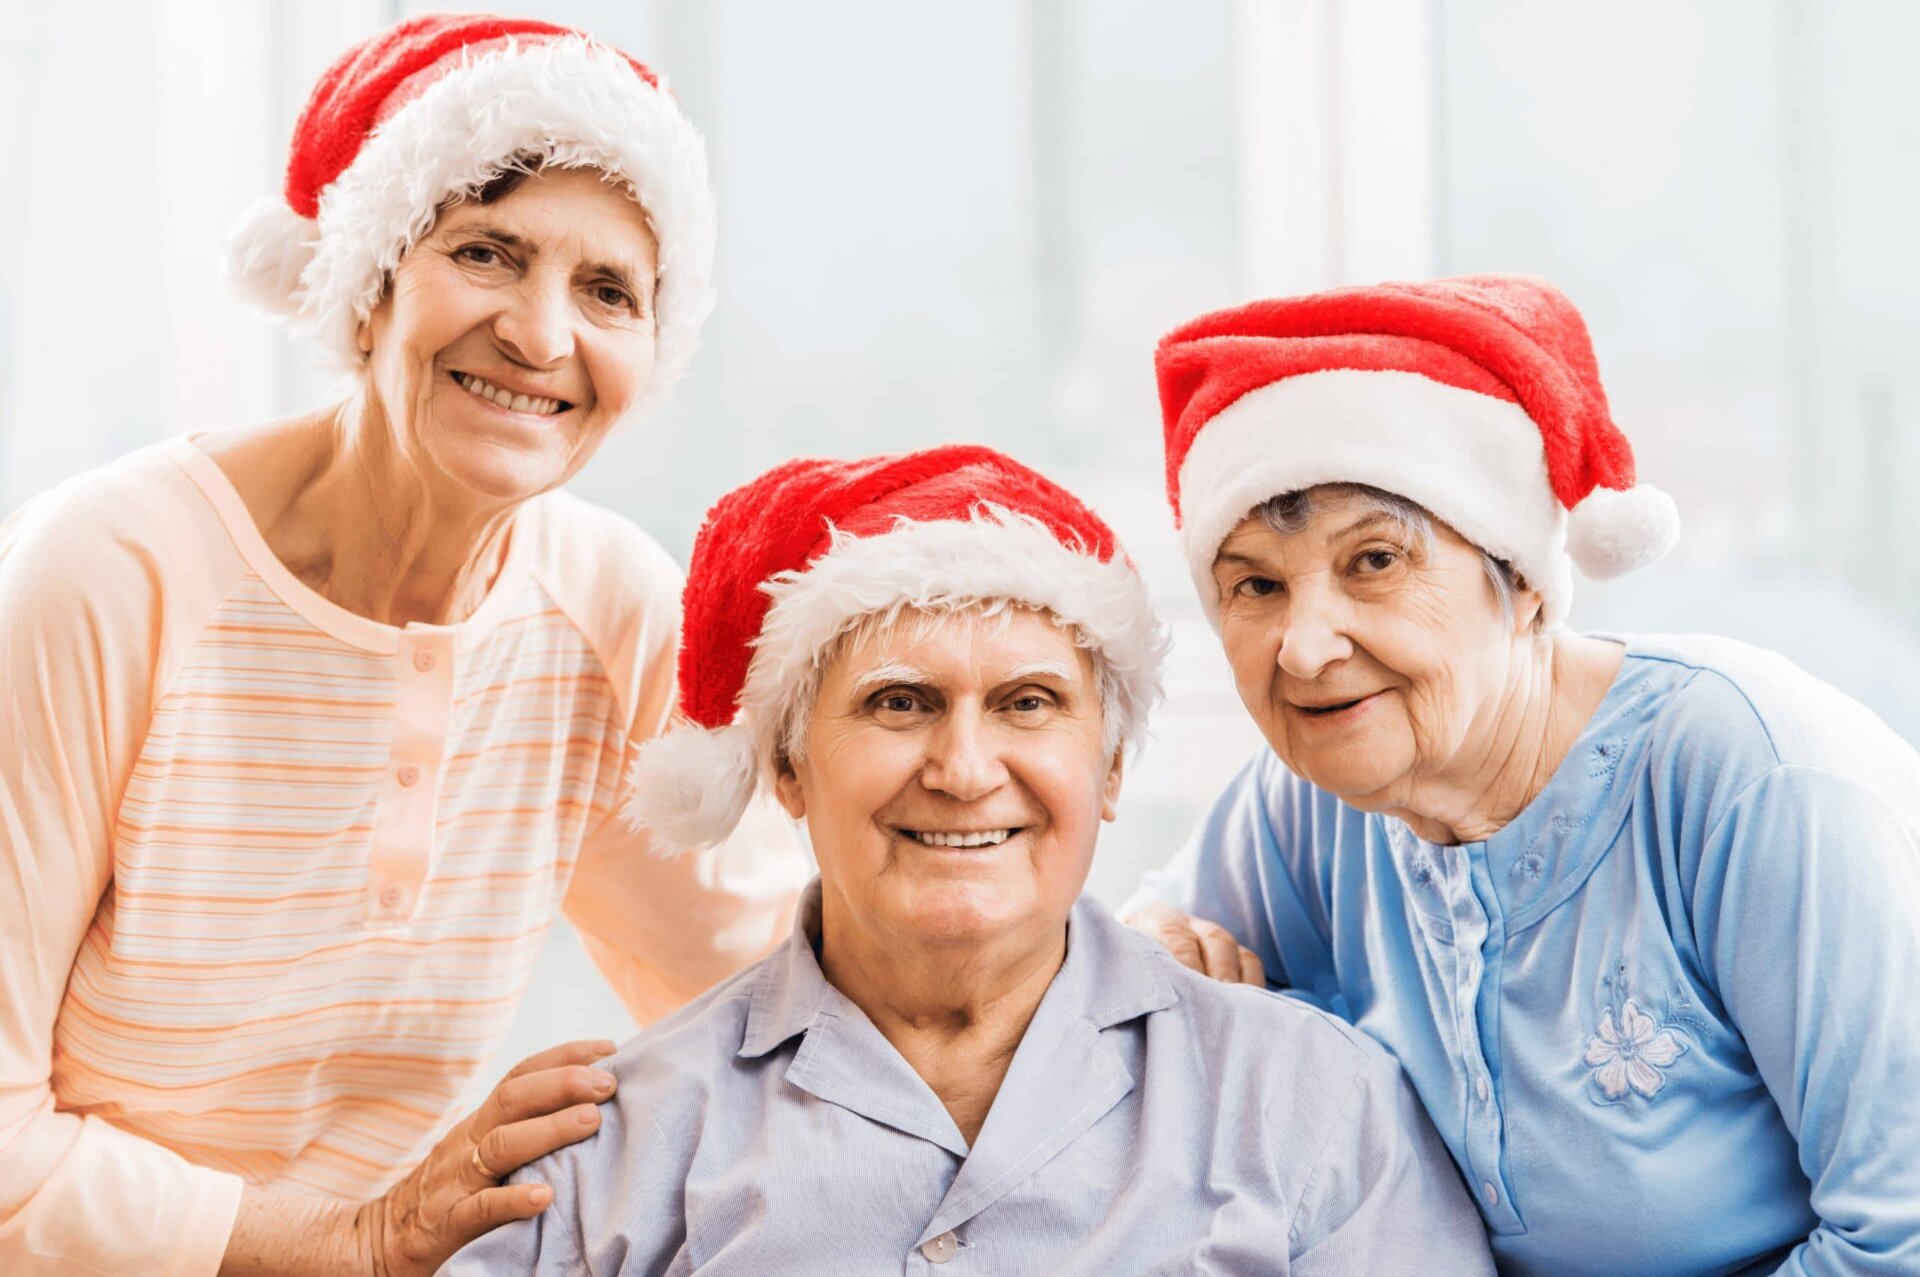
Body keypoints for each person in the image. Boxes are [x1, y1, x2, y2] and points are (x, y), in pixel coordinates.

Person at [0, 15, 804, 1276]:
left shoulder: (607, 608)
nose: (542, 337)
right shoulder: (110, 571)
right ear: (368, 285)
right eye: (487, 253)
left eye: (609, 292)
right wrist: (353, 1240)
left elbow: (774, 1002)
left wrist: (1133, 969)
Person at [441, 445, 1495, 1276]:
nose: (963, 766)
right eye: (900, 703)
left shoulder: (1315, 1105)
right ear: (788, 771)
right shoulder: (607, 1147)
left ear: (1111, 768)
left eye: (1028, 703)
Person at [1126, 274, 1920, 1274]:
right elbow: (1115, 1010)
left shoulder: (1748, 782)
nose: (1305, 645)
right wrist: (1153, 961)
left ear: (1528, 584)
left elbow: (1900, 1239)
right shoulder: (1311, 802)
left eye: (1373, 560)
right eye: (1256, 584)